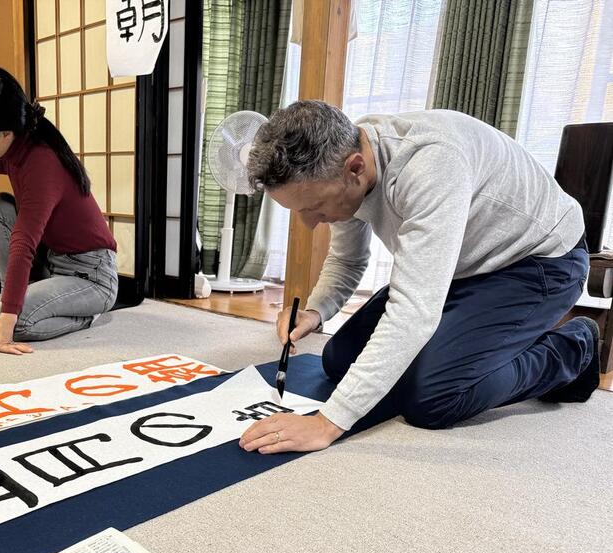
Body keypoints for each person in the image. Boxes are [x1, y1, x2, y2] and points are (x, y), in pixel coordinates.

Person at [238, 102, 600, 455]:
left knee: (432, 399)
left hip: (540, 263)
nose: (310, 222)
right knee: (339, 359)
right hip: (461, 267)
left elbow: (413, 311)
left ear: (355, 168)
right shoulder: (341, 160)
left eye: (313, 208)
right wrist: (315, 312)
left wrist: (327, 423)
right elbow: (348, 260)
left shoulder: (431, 163)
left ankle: (572, 348)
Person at [0, 66, 119, 355]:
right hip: (53, 262)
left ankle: (85, 315)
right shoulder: (12, 148)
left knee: (11, 322)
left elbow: (24, 240)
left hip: (90, 277)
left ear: (3, 132)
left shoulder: (41, 161)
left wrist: (7, 317)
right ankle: (15, 297)